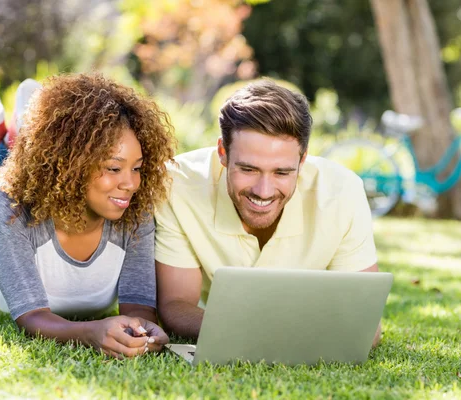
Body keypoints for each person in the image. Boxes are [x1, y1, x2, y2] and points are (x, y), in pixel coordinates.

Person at [0, 73, 176, 358]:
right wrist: (91, 332)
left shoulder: (135, 213)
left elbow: (138, 305)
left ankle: (15, 133)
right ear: (70, 165)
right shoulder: (10, 207)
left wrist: (144, 330)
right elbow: (32, 318)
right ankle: (2, 140)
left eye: (137, 168)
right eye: (114, 168)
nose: (130, 183)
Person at [154, 79, 381, 345]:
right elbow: (176, 305)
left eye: (282, 172)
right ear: (223, 152)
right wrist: (266, 332)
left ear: (303, 159)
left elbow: (365, 323)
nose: (263, 191)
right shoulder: (178, 184)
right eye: (248, 169)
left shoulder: (342, 193)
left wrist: (259, 331)